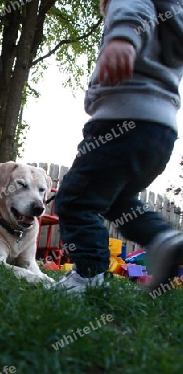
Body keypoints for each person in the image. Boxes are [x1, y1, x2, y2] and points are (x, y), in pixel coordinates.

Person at [53, 0, 183, 293]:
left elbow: (131, 8)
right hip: (161, 132)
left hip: (122, 122)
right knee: (119, 202)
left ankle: (88, 275)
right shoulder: (174, 19)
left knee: (75, 199)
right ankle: (163, 238)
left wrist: (122, 37)